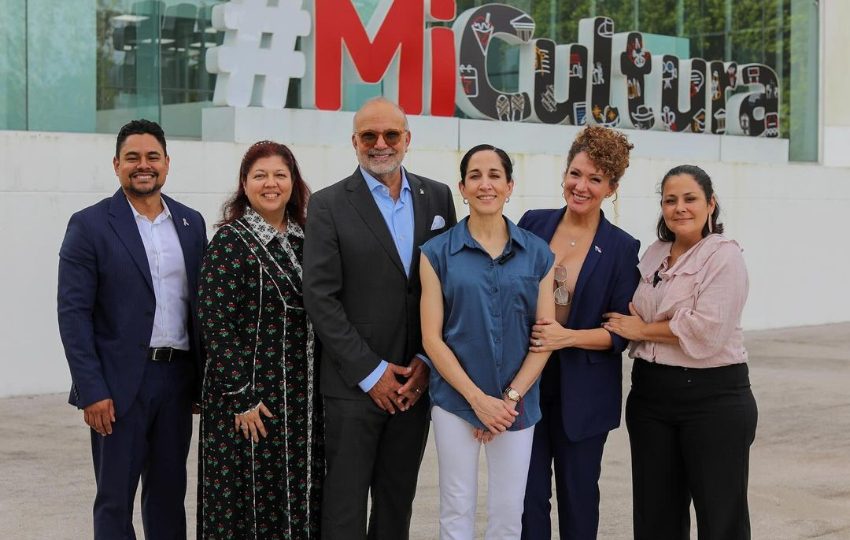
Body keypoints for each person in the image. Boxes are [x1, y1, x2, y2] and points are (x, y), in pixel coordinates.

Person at [302, 97, 457, 540]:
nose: (380, 144)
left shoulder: (439, 197)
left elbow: (447, 286)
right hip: (353, 386)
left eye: (391, 134)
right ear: (354, 142)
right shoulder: (329, 205)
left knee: (396, 504)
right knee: (344, 508)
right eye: (369, 135)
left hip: (415, 381)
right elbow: (321, 297)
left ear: (407, 139)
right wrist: (371, 374)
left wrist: (427, 361)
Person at [57, 119, 206, 539]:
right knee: (114, 499)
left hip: (176, 381)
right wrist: (92, 389)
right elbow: (73, 313)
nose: (144, 165)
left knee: (167, 495)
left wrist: (201, 381)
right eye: (133, 158)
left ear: (167, 163)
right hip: (117, 386)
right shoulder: (89, 225)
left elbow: (200, 308)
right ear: (117, 165)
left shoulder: (191, 224)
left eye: (152, 157)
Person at [603, 164, 757, 540]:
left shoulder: (723, 255)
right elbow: (633, 308)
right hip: (651, 396)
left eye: (690, 199)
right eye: (670, 200)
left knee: (721, 519)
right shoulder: (655, 254)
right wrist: (654, 324)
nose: (679, 208)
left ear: (711, 204)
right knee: (656, 518)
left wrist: (643, 330)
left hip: (713, 398)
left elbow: (707, 329)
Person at [419, 144, 556, 540]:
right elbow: (432, 337)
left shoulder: (538, 254)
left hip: (517, 406)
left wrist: (509, 399)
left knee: (508, 512)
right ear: (462, 187)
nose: (485, 184)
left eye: (495, 175)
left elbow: (543, 339)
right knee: (456, 507)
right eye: (475, 176)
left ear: (510, 186)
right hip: (456, 401)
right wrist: (478, 400)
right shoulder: (436, 253)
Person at [518, 126, 640, 540]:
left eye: (594, 179)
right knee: (527, 497)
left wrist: (565, 338)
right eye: (575, 173)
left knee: (578, 496)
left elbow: (619, 333)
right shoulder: (532, 223)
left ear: (612, 187)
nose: (580, 186)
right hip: (527, 386)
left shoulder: (623, 247)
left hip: (584, 393)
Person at [196, 141, 323, 538]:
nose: (271, 184)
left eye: (280, 175)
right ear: (244, 184)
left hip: (302, 402)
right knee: (248, 503)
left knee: (300, 497)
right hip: (251, 403)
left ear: (293, 182)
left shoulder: (309, 240)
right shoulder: (230, 242)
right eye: (260, 175)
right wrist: (241, 396)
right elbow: (215, 322)